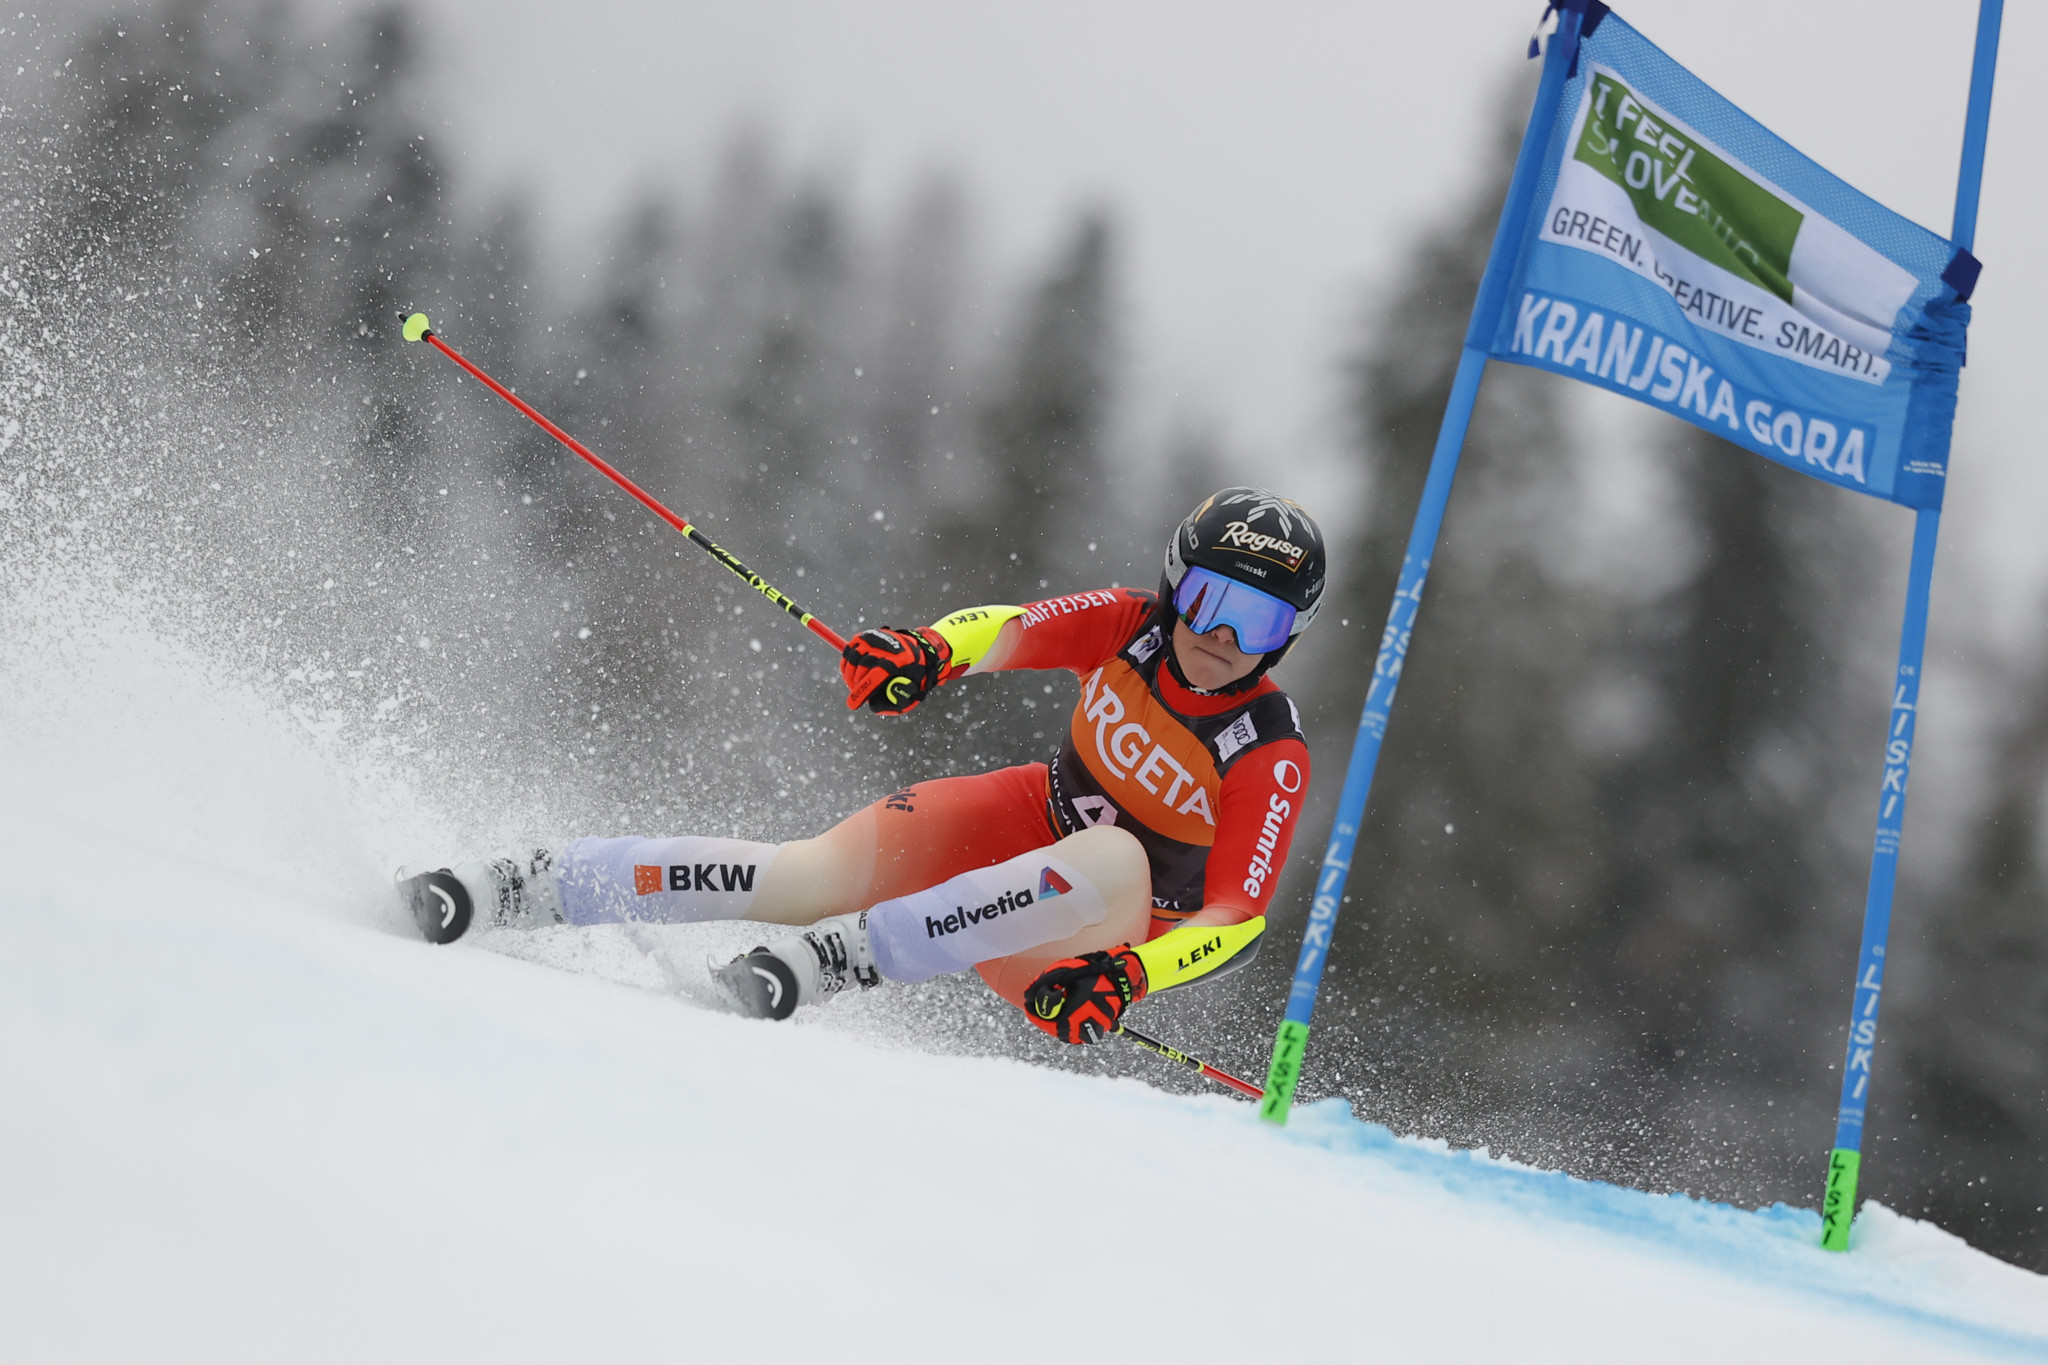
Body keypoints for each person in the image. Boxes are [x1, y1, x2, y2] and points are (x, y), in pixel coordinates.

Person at [403, 486, 1323, 1046]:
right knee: (806, 874)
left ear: (1289, 636)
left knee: (1119, 856)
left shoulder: (1267, 749)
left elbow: (1237, 921)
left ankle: (839, 959)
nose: (1222, 635)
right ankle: (526, 884)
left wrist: (1129, 977)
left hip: (1080, 948)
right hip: (1023, 825)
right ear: (1174, 584)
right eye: (1211, 598)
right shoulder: (1129, 625)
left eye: (1261, 621)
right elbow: (1008, 629)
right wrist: (927, 652)